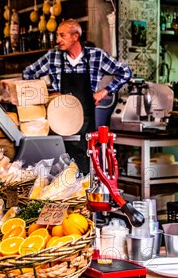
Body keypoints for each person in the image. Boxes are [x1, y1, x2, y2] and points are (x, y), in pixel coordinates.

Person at [23, 19, 132, 172]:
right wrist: (48, 94)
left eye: (62, 35)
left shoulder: (96, 56)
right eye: (57, 36)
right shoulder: (52, 57)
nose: (57, 40)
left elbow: (125, 72)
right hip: (57, 122)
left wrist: (105, 91)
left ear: (75, 37)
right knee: (58, 167)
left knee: (84, 168)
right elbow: (28, 74)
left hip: (85, 123)